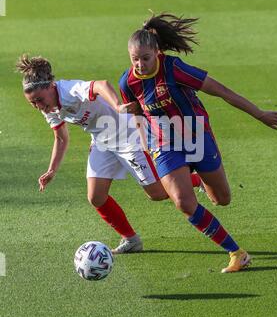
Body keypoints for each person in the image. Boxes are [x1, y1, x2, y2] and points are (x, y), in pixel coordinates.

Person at [119, 13, 277, 273]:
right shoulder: (128, 82)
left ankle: (198, 180)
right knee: (183, 203)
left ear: (157, 52)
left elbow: (222, 91)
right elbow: (139, 117)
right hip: (165, 145)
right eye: (135, 59)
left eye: (146, 58)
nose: (140, 64)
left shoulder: (174, 69)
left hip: (197, 137)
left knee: (222, 200)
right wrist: (146, 146)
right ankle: (236, 253)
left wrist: (260, 114)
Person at [16, 54, 175, 255]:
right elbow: (61, 138)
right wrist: (51, 171)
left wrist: (117, 105)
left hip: (126, 136)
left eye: (39, 100)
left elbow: (101, 85)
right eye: (33, 103)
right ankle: (131, 240)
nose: (38, 106)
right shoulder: (48, 107)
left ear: (50, 86)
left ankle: (197, 181)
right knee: (96, 197)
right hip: (101, 141)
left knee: (158, 193)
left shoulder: (70, 91)